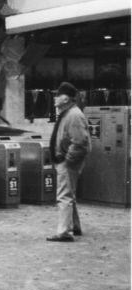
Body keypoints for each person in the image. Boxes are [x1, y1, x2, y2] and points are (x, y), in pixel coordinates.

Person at [46, 82, 91, 242]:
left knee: (64, 196)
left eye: (57, 95)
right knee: (69, 194)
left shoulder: (73, 115)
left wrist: (68, 161)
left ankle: (64, 232)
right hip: (65, 159)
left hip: (69, 161)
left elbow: (80, 141)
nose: (54, 98)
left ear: (65, 98)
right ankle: (75, 226)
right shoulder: (68, 113)